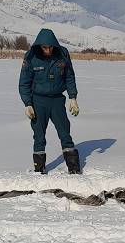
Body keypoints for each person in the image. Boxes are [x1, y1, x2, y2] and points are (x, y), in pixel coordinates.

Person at [18, 28, 81, 174]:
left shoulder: (63, 54)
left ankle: (74, 169)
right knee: (39, 134)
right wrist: (28, 104)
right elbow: (24, 83)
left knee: (65, 132)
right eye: (45, 47)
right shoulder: (31, 57)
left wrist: (73, 97)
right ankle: (39, 170)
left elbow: (69, 76)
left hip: (57, 100)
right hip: (38, 101)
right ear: (39, 46)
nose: (48, 50)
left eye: (50, 47)